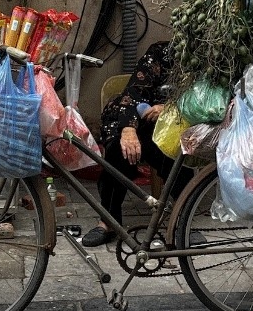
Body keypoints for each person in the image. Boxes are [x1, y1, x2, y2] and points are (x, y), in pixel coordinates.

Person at [82, 41, 195, 247]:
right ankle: (109, 221)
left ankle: (183, 218)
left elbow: (205, 100)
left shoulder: (209, 63)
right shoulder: (161, 52)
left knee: (177, 152)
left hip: (173, 123)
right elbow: (133, 94)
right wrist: (128, 129)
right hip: (132, 117)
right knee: (119, 149)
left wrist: (171, 107)